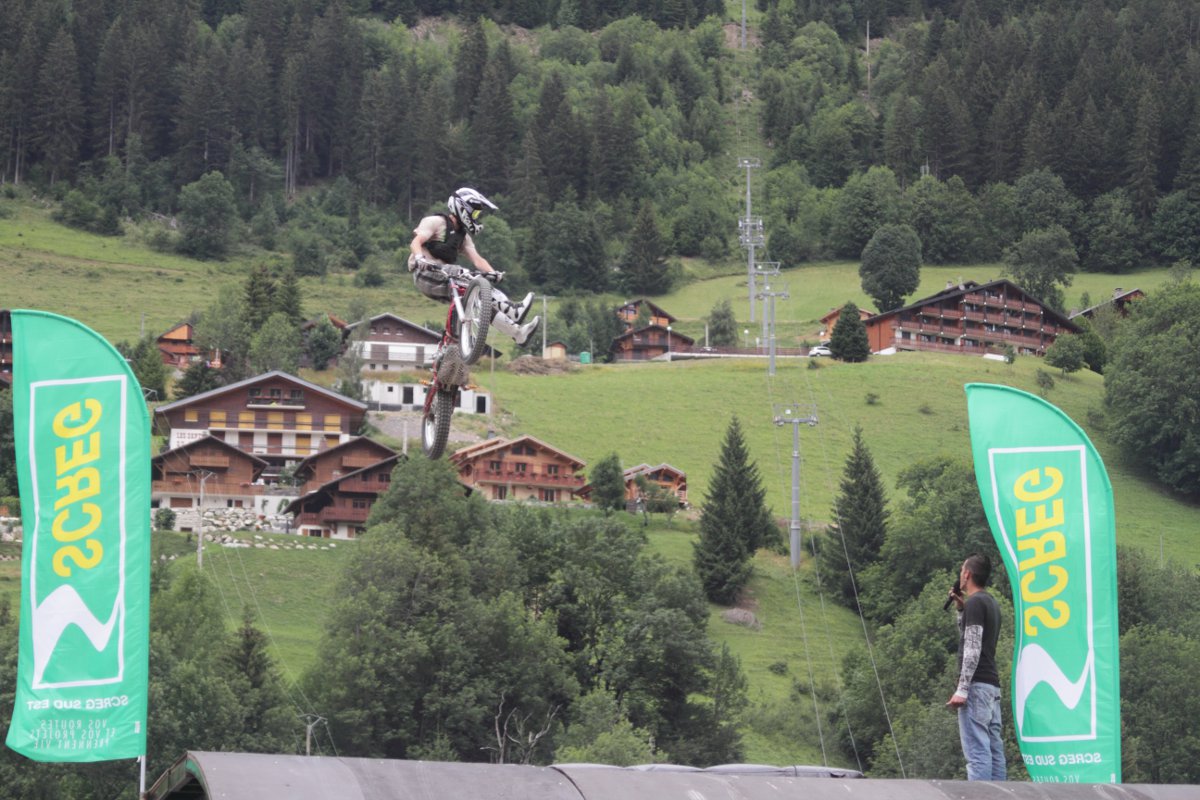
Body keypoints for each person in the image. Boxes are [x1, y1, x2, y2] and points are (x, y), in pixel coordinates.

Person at [408, 187, 540, 346]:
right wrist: (419, 258)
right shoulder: (436, 222)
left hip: (445, 278)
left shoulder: (463, 238)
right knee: (464, 273)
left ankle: (518, 333)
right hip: (425, 273)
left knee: (481, 301)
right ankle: (513, 310)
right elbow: (416, 242)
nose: (475, 218)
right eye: (475, 213)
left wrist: (493, 273)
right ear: (463, 208)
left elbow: (477, 259)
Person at [946, 553, 1005, 781]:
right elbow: (973, 637)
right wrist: (961, 610)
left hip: (976, 687)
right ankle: (1001, 795)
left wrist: (962, 689)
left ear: (967, 574)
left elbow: (972, 647)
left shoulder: (975, 602)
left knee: (977, 753)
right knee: (994, 751)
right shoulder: (990, 603)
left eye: (962, 570)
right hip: (992, 687)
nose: (960, 575)